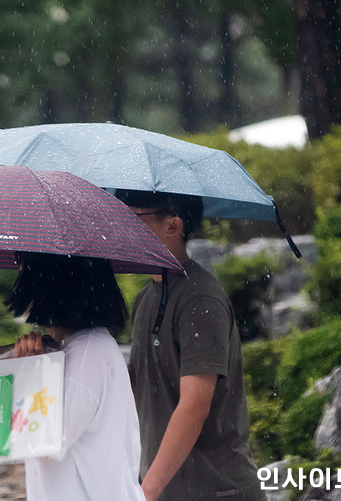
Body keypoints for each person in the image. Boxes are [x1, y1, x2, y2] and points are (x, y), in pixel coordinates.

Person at [116, 190, 265, 501]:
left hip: (217, 490)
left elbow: (194, 406)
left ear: (173, 225)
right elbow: (140, 385)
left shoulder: (200, 298)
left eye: (133, 218)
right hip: (170, 490)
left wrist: (146, 492)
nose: (122, 227)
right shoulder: (146, 297)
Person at [0, 252, 146, 501]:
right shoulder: (76, 348)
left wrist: (26, 375)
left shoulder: (87, 355)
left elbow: (38, 442)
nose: (21, 275)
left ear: (50, 282)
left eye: (26, 268)